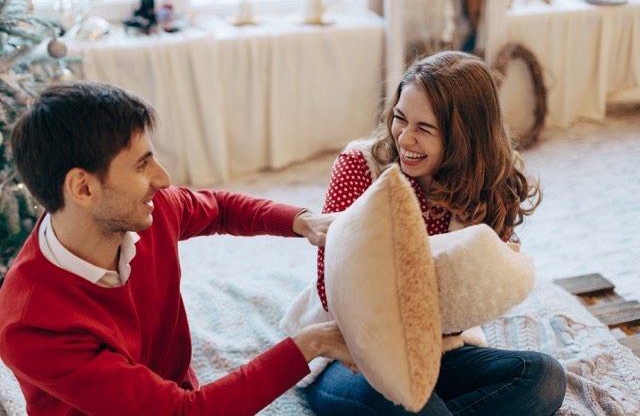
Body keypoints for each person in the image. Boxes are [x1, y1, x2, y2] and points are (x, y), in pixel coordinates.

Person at [0, 81, 356, 415]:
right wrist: (308, 344)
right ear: (83, 188)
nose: (163, 179)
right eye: (141, 166)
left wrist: (304, 220)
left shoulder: (148, 212)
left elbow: (220, 208)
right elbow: (183, 412)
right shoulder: (32, 325)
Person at [306, 51, 567, 415]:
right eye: (400, 118)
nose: (404, 138)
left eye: (424, 128)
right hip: (350, 353)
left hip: (440, 350)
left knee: (544, 377)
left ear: (466, 136)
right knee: (408, 402)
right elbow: (329, 286)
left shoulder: (492, 191)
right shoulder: (360, 166)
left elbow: (471, 305)